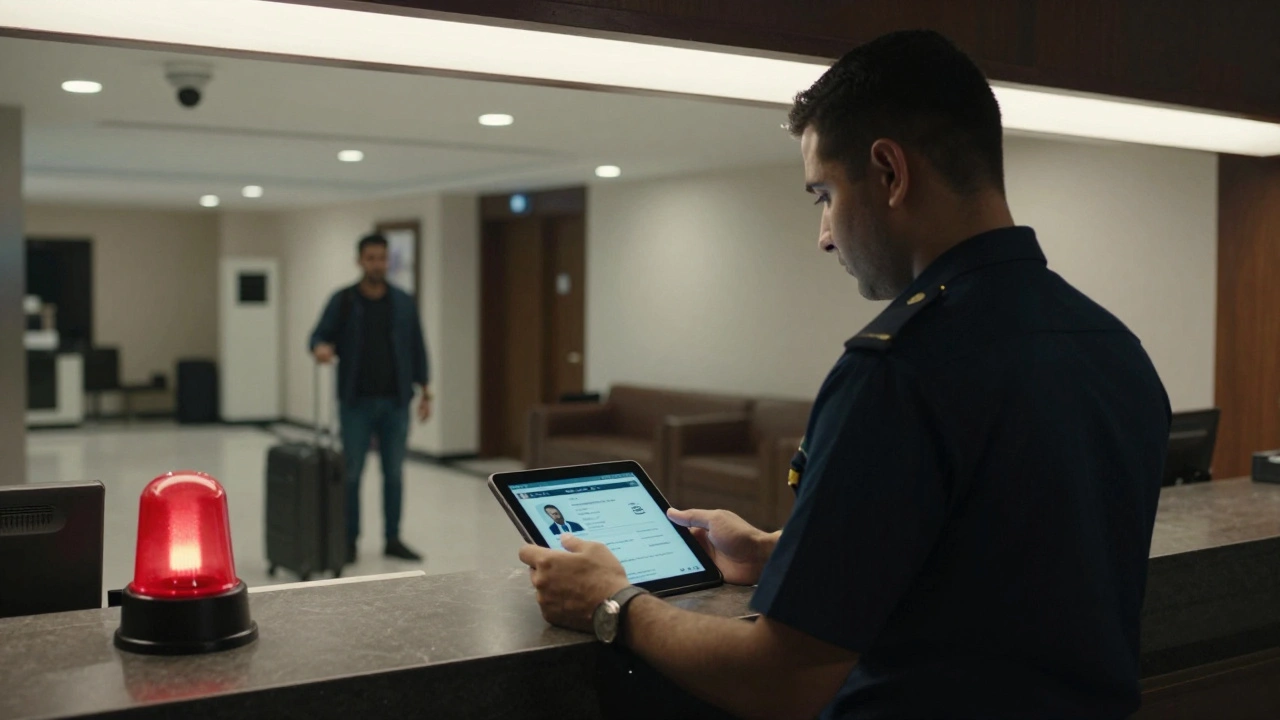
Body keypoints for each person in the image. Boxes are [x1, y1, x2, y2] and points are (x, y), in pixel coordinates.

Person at [517, 29, 1170, 720]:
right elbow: (1001, 565)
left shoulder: (900, 370)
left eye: (822, 193)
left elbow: (785, 680)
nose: (824, 233)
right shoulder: (1113, 348)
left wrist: (613, 602)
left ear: (890, 172)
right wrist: (780, 555)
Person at [310, 233, 432, 564]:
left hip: (395, 402)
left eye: (382, 258)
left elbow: (417, 348)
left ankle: (393, 537)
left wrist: (426, 391)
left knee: (393, 474)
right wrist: (320, 347)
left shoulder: (403, 302)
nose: (377, 264)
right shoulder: (345, 300)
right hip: (356, 404)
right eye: (371, 258)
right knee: (351, 474)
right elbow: (319, 334)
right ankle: (349, 540)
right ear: (360, 260)